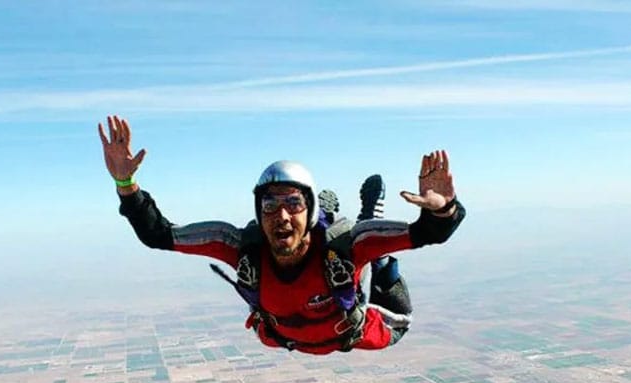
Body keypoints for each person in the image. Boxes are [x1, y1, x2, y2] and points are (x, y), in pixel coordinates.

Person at [98, 115, 465, 355]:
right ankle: (353, 222)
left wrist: (442, 208)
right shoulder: (239, 247)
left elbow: (430, 233)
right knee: (366, 245)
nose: (282, 215)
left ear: (309, 210)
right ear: (258, 213)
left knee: (377, 259)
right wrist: (125, 184)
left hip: (353, 330)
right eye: (270, 206)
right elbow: (159, 234)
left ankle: (375, 233)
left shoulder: (349, 245)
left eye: (293, 203)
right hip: (285, 335)